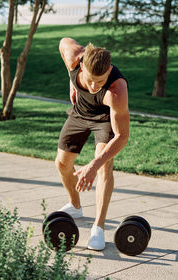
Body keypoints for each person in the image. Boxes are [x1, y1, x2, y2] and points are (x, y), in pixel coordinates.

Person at [55, 37, 129, 251]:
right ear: (81, 66)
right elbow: (63, 42)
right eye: (90, 80)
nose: (95, 86)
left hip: (105, 118)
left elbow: (122, 136)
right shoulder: (73, 57)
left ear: (109, 71)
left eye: (101, 80)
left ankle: (98, 227)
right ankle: (76, 206)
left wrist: (93, 165)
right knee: (62, 164)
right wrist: (72, 83)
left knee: (104, 167)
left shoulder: (117, 90)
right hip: (79, 113)